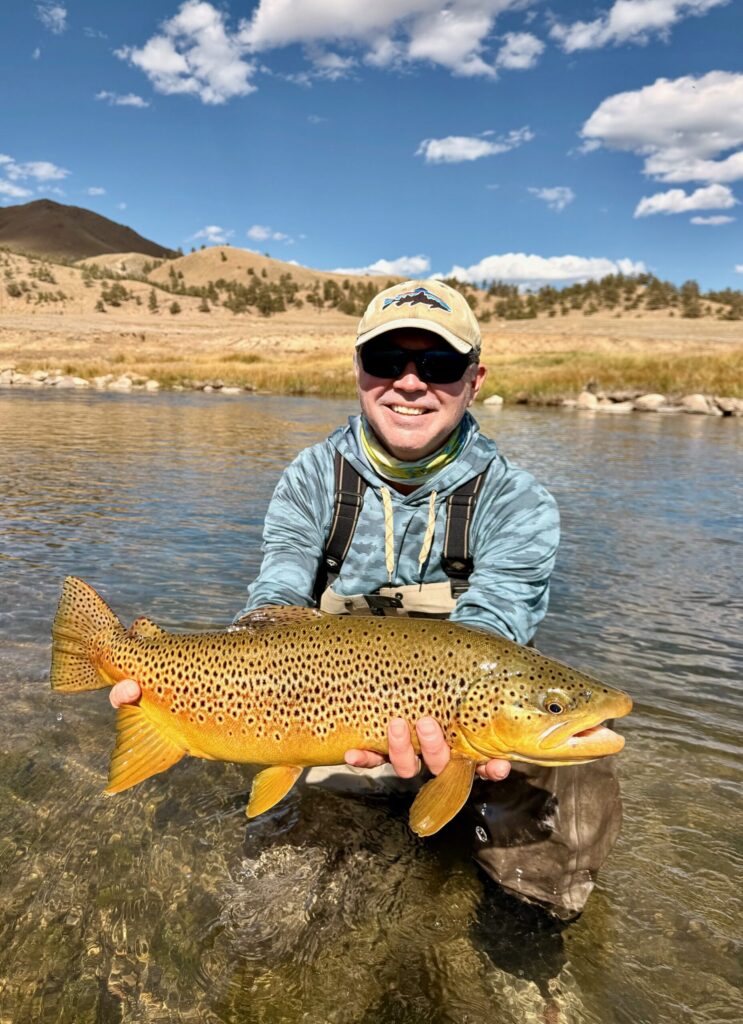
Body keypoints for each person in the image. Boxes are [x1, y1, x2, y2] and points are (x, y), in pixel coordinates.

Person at [110, 278, 622, 920]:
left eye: (438, 365)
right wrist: (161, 680)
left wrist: (459, 745)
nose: (410, 382)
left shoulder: (519, 503)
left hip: (452, 717)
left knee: (577, 778)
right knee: (285, 896)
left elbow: (489, 631)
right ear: (359, 370)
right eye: (387, 361)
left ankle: (525, 925)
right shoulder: (312, 477)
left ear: (475, 378)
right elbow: (273, 599)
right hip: (328, 714)